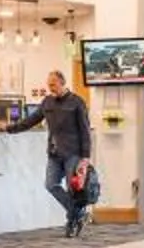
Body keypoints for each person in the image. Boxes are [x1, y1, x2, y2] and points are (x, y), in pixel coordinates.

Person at [7, 68, 95, 237]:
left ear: (62, 83)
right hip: (54, 153)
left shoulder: (77, 102)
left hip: (73, 153)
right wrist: (11, 129)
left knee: (72, 190)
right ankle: (78, 213)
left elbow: (85, 131)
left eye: (53, 84)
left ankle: (72, 221)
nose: (50, 88)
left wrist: (85, 157)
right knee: (50, 184)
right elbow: (31, 120)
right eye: (49, 85)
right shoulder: (47, 102)